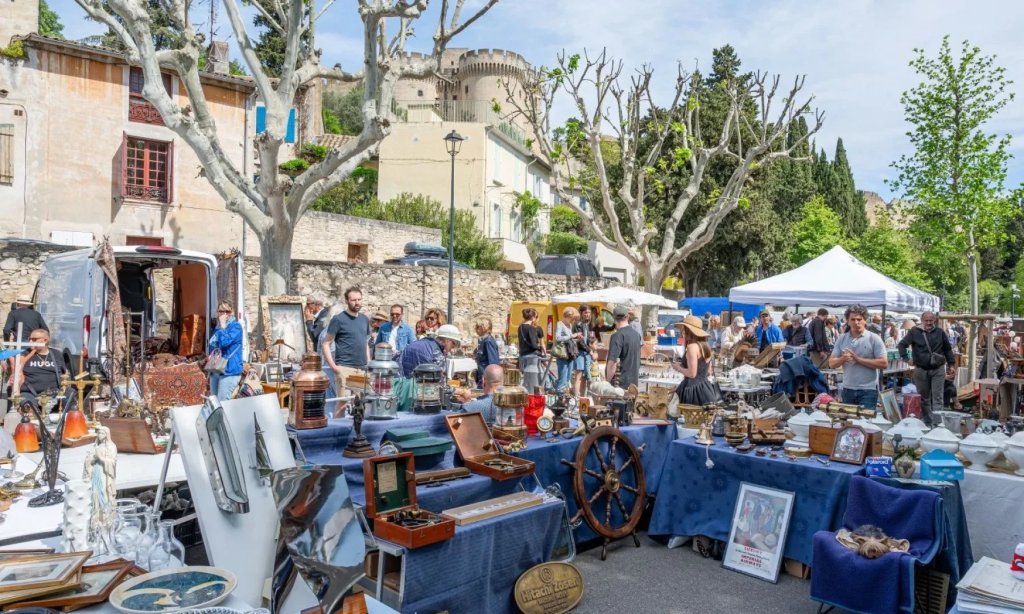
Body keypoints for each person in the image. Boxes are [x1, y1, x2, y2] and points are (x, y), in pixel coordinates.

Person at [897, 311, 955, 427]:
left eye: (931, 320)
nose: (929, 323)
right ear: (922, 320)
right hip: (921, 369)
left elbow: (948, 349)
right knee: (924, 398)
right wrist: (906, 359)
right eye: (926, 320)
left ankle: (938, 424)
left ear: (934, 320)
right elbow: (901, 345)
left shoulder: (940, 332)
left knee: (938, 397)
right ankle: (927, 422)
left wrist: (951, 364)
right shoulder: (914, 332)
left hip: (937, 369)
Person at [829, 305, 888, 409]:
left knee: (866, 423)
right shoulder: (842, 339)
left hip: (868, 390)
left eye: (859, 319)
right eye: (853, 319)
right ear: (847, 321)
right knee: (848, 423)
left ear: (865, 320)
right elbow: (832, 363)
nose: (856, 322)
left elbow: (884, 363)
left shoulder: (874, 338)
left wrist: (858, 359)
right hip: (847, 389)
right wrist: (843, 358)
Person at [322, 287, 372, 397]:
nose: (357, 302)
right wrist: (334, 367)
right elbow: (326, 343)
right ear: (347, 301)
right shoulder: (339, 319)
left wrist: (368, 362)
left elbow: (365, 343)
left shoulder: (364, 319)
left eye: (359, 299)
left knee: (358, 404)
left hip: (360, 369)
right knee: (342, 403)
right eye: (353, 300)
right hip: (344, 368)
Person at [672, 315, 722, 405]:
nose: (682, 332)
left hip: (692, 390)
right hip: (706, 388)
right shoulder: (706, 346)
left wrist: (677, 367)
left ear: (688, 331)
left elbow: (692, 374)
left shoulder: (692, 347)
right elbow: (708, 371)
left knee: (686, 417)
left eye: (683, 329)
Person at [11, 328, 66, 407]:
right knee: (28, 407)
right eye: (29, 339)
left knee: (70, 395)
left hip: (54, 393)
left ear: (45, 340)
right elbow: (15, 373)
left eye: (34, 339)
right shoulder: (24, 355)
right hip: (29, 393)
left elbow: (65, 374)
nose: (30, 342)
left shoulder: (56, 354)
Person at [208, 302, 244, 401]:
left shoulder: (236, 327)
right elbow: (213, 346)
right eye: (221, 311)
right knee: (214, 401)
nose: (224, 314)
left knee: (222, 401)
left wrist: (223, 326)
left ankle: (225, 417)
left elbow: (225, 342)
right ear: (217, 313)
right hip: (217, 368)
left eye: (227, 311)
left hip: (230, 370)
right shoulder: (217, 328)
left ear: (232, 312)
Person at [605, 305, 642, 388]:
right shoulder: (636, 335)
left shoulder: (617, 336)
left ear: (614, 319)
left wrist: (607, 382)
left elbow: (612, 362)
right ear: (627, 317)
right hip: (633, 382)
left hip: (619, 384)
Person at [518, 308, 546, 392]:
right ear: (533, 317)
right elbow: (534, 344)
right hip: (532, 357)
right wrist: (540, 349)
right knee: (535, 380)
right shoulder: (531, 328)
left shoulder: (520, 327)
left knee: (525, 380)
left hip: (523, 355)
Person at [554, 307, 580, 393]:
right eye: (572, 319)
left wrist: (576, 339)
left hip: (570, 353)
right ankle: (560, 396)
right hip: (562, 354)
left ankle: (564, 396)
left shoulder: (570, 325)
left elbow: (569, 340)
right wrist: (571, 336)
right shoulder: (560, 324)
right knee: (563, 377)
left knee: (568, 377)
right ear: (568, 316)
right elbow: (558, 338)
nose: (573, 321)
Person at [573, 304, 596, 396]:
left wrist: (592, 343)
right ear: (581, 313)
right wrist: (589, 350)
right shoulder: (578, 324)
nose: (587, 314)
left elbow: (586, 340)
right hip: (579, 352)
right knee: (578, 376)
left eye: (589, 312)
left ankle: (582, 397)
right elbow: (580, 342)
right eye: (585, 312)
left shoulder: (585, 324)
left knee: (584, 378)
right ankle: (576, 397)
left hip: (584, 352)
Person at [473, 317, 500, 389]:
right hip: (482, 375)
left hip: (487, 377)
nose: (475, 329)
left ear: (483, 328)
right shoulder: (483, 340)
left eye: (477, 327)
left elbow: (493, 362)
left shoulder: (488, 341)